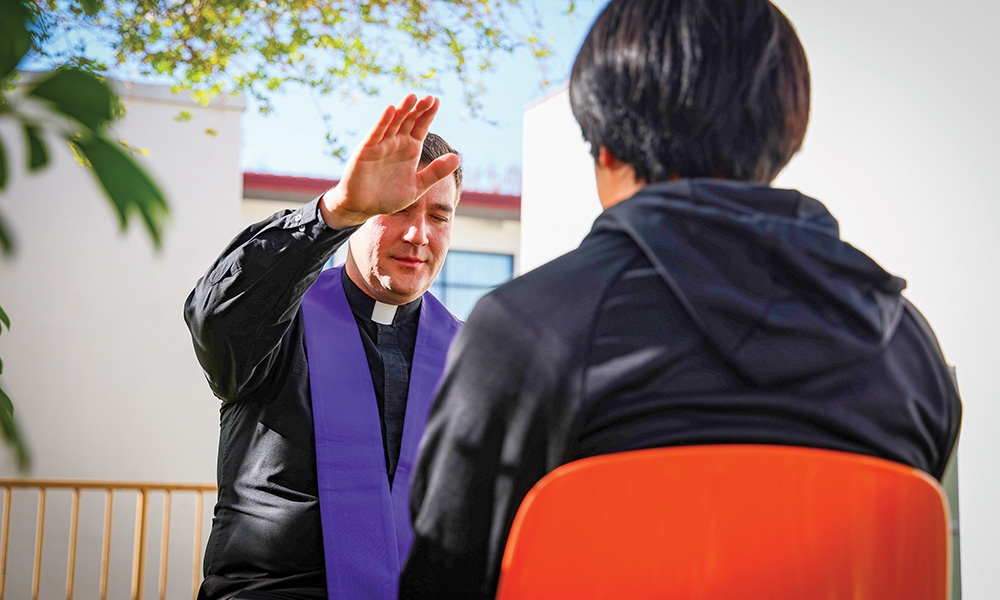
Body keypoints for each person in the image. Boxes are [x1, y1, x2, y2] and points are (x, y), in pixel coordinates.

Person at [399, 1, 962, 598]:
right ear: (782, 137)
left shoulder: (527, 330)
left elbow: (446, 578)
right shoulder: (908, 348)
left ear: (607, 150)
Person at [184, 94, 463, 600]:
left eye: (439, 216)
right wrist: (333, 213)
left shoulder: (467, 353)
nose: (419, 233)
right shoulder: (279, 320)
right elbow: (215, 317)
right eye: (398, 208)